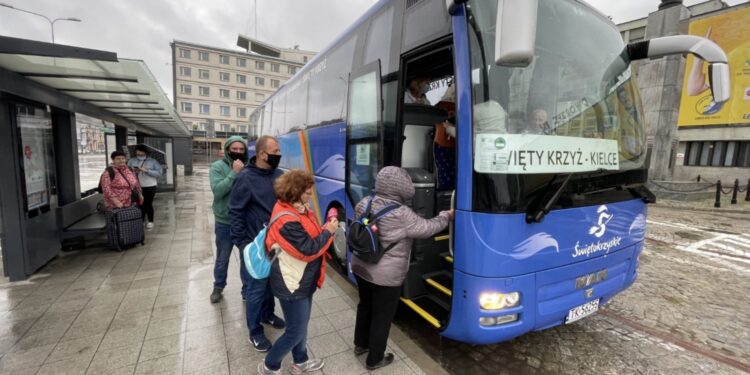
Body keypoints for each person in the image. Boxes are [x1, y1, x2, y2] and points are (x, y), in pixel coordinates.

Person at [351, 167, 453, 370]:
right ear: (402, 187)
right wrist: (446, 216)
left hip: (360, 266)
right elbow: (426, 228)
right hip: (385, 276)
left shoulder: (365, 202)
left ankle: (360, 345)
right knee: (382, 315)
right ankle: (375, 359)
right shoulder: (402, 213)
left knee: (365, 306)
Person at [258, 170, 338, 375]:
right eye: (306, 191)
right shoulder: (288, 219)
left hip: (303, 278)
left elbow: (310, 237)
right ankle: (270, 364)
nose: (310, 194)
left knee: (300, 326)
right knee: (295, 331)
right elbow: (309, 249)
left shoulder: (298, 209)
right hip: (291, 282)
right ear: (295, 191)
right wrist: (328, 231)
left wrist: (324, 229)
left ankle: (300, 361)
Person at [230, 135, 286, 352]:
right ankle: (254, 331)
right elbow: (236, 211)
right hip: (255, 245)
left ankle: (267, 314)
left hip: (276, 245)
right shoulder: (245, 178)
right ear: (263, 154)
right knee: (255, 289)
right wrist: (242, 243)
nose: (279, 155)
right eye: (275, 151)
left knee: (271, 284)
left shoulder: (279, 175)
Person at [210, 136, 250, 304]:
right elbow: (218, 191)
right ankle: (218, 286)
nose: (238, 152)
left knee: (246, 259)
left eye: (241, 149)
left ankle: (246, 290)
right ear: (227, 150)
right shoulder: (217, 167)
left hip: (244, 221)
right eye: (234, 149)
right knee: (222, 257)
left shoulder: (248, 167)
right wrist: (234, 172)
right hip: (224, 222)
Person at [127, 145, 163, 230]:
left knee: (148, 203)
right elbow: (126, 172)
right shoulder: (132, 161)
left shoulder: (153, 161)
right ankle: (141, 220)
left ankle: (150, 221)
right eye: (137, 151)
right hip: (136, 186)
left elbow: (159, 173)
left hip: (150, 185)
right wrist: (134, 171)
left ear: (145, 152)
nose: (139, 153)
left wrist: (147, 171)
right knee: (140, 204)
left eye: (141, 151)